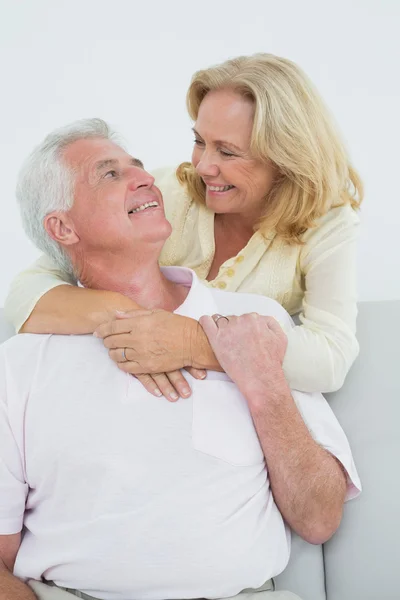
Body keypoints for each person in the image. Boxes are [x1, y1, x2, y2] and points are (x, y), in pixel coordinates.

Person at [0, 121, 361, 600]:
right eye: (110, 175)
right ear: (63, 227)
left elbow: (319, 518)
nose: (145, 178)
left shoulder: (252, 323)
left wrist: (261, 383)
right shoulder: (22, 362)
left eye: (140, 168)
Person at [4, 53, 363, 399]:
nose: (204, 166)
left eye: (228, 152)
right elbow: (27, 291)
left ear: (286, 157)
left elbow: (331, 358)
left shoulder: (328, 223)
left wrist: (193, 342)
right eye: (199, 141)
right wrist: (133, 318)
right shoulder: (165, 194)